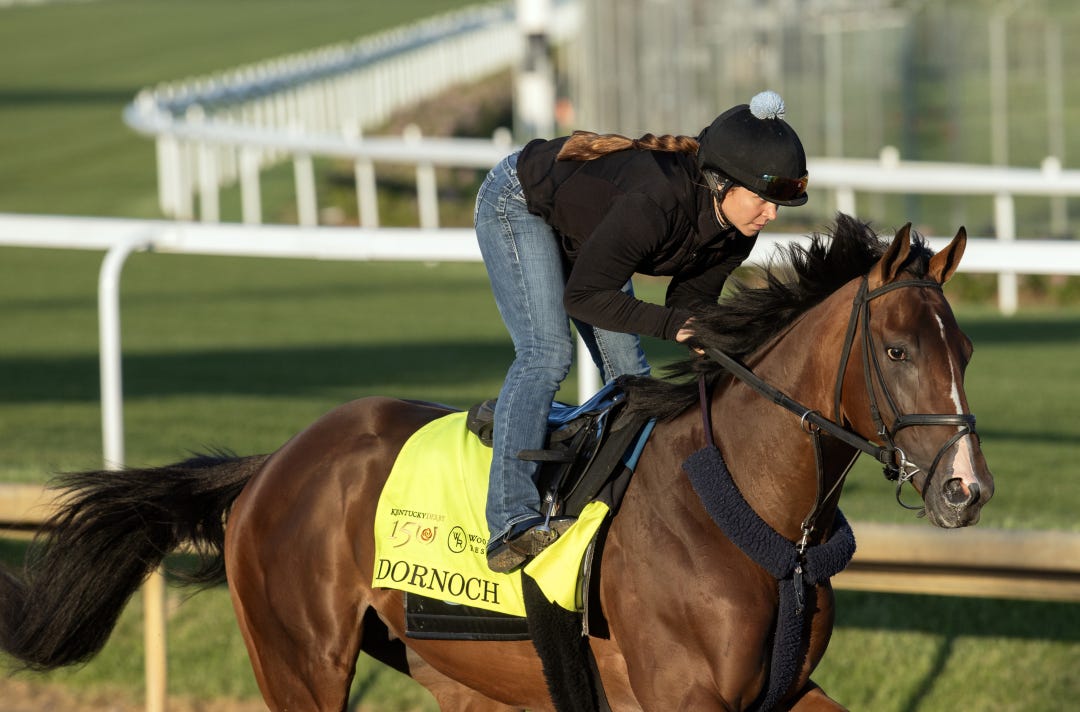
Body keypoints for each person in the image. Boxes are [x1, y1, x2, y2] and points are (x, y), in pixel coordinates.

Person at [475, 90, 810, 573]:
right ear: (722, 184)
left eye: (780, 203)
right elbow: (586, 298)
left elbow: (688, 306)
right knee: (546, 352)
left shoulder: (737, 231)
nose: (771, 216)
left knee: (633, 376)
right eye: (763, 199)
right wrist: (679, 327)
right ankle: (510, 520)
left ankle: (619, 498)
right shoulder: (654, 202)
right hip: (520, 201)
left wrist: (724, 344)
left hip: (589, 229)